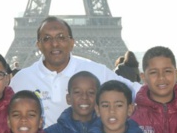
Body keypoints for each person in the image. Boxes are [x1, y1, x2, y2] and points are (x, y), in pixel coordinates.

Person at [9, 16, 138, 127]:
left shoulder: (97, 72)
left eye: (61, 37)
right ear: (39, 45)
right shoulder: (21, 80)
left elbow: (136, 91)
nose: (55, 44)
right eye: (47, 38)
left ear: (72, 43)